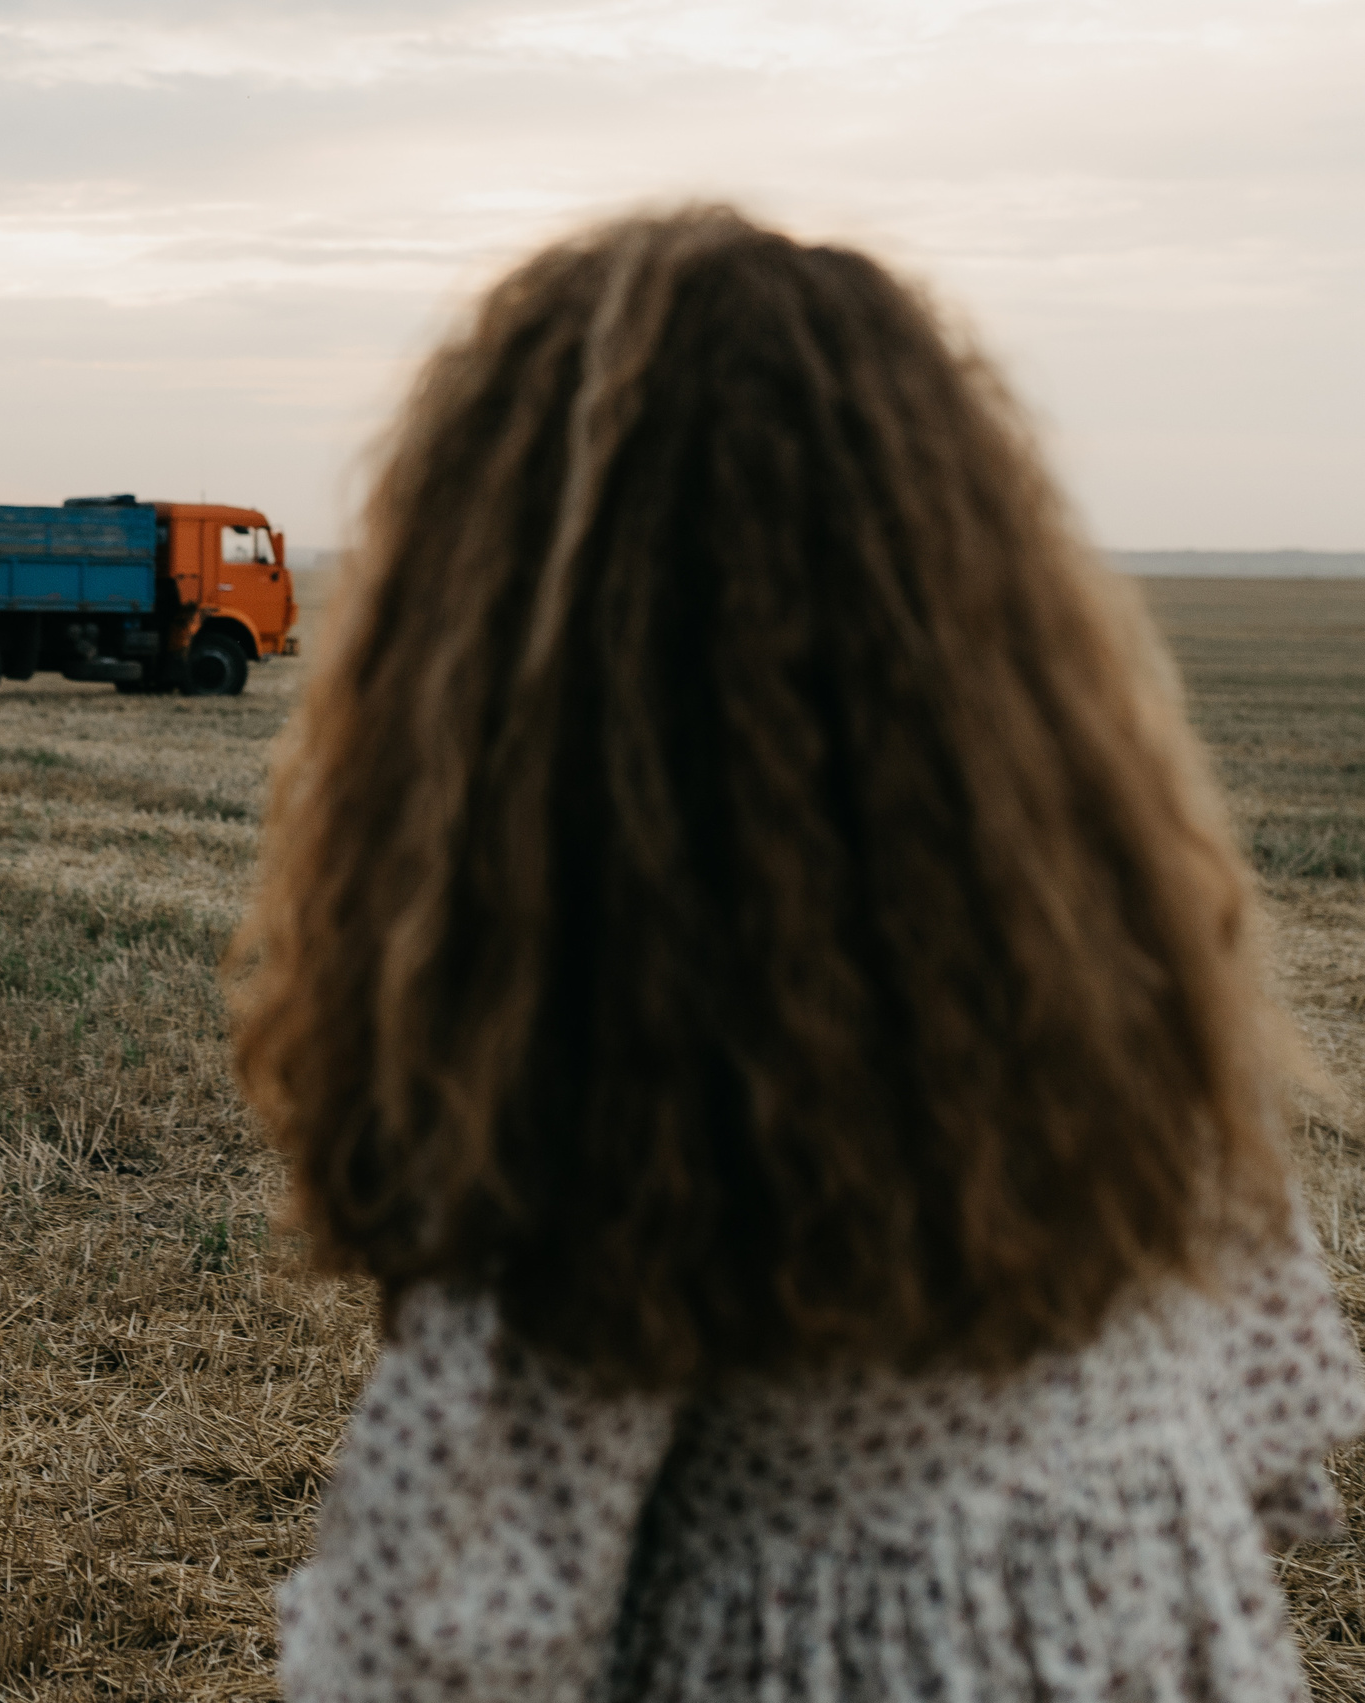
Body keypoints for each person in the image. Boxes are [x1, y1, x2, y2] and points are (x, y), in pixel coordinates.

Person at [233, 206, 1365, 1701]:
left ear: (517, 677)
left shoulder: (623, 1099)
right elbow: (1256, 1422)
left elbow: (449, 1643)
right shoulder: (1136, 997)